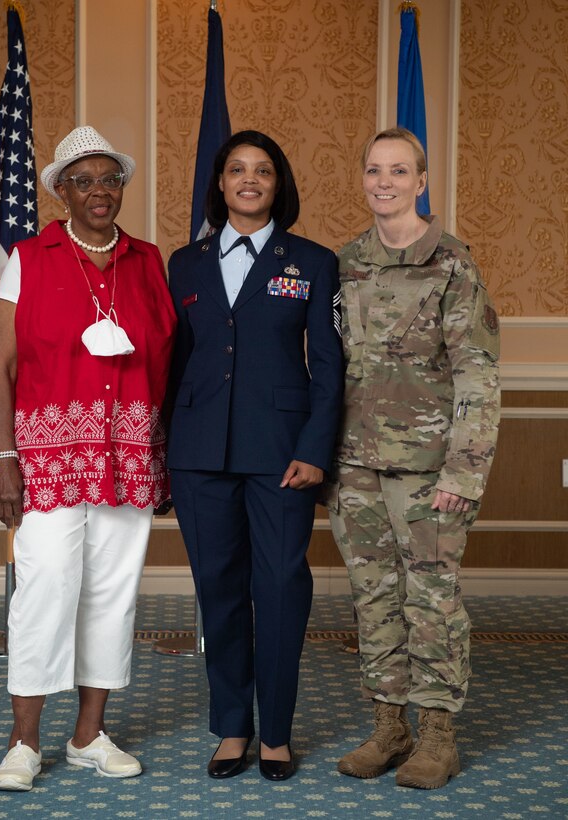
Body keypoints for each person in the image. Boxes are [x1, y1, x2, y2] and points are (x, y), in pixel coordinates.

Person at [0, 126, 176, 791]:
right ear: (62, 191)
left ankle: (89, 735)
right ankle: (23, 743)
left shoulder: (149, 261)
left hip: (129, 455)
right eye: (85, 180)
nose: (100, 191)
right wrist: (4, 458)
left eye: (110, 179)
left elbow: (171, 361)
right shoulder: (30, 258)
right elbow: (1, 366)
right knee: (44, 592)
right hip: (47, 459)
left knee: (113, 595)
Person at [322, 127, 500, 789]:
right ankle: (388, 726)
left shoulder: (451, 262)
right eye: (374, 170)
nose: (384, 182)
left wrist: (464, 470)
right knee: (375, 599)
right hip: (355, 467)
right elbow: (329, 366)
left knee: (431, 601)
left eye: (399, 171)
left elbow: (478, 375)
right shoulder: (345, 263)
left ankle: (438, 737)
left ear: (421, 182)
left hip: (430, 470)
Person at [167, 130, 344, 781]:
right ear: (219, 183)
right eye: (237, 169)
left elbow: (329, 367)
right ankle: (233, 726)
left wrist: (315, 450)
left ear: (278, 183)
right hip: (198, 455)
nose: (249, 180)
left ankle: (275, 733)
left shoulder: (313, 262)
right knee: (218, 591)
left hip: (283, 457)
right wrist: (164, 452)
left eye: (262, 170)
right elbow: (173, 364)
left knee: (279, 588)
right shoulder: (184, 263)